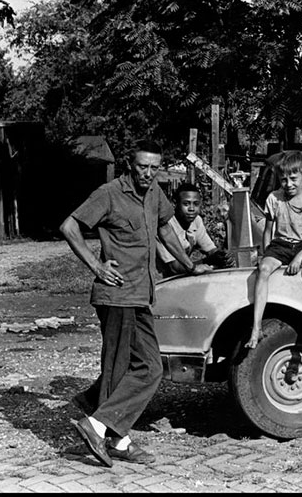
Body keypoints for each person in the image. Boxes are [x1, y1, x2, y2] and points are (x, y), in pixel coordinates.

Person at [59, 140, 211, 468]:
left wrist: (188, 265)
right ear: (131, 163)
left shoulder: (154, 192)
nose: (147, 173)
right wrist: (97, 267)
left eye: (153, 167)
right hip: (115, 296)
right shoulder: (109, 193)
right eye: (142, 166)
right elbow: (69, 227)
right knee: (120, 369)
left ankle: (99, 421)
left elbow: (167, 232)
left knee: (149, 366)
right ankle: (113, 436)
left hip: (141, 295)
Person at [246, 150, 302, 349]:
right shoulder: (274, 198)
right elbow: (268, 230)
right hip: (281, 245)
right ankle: (256, 328)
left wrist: (299, 258)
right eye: (284, 180)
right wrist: (265, 255)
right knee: (263, 271)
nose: (289, 184)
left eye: (293, 179)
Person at [156, 182, 235, 277]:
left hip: (179, 277)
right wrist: (207, 261)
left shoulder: (196, 221)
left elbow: (211, 249)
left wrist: (222, 256)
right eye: (186, 204)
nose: (192, 209)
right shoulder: (165, 225)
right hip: (159, 280)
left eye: (196, 204)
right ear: (174, 203)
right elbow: (174, 267)